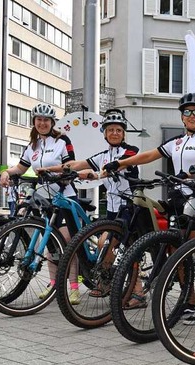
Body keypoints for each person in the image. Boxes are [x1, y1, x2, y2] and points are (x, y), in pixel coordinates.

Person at [103, 93, 195, 319]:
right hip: (177, 201)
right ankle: (189, 299)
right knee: (178, 252)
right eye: (188, 112)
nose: (192, 116)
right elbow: (148, 155)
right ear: (182, 117)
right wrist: (121, 163)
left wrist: (188, 176)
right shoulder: (175, 142)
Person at [41, 109, 141, 302]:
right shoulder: (103, 155)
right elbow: (77, 165)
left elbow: (119, 164)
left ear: (123, 133)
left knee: (122, 246)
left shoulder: (130, 151)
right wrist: (50, 170)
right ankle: (107, 283)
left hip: (129, 207)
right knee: (105, 244)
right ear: (104, 133)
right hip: (112, 209)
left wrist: (97, 174)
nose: (114, 133)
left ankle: (137, 292)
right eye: (110, 129)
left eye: (118, 130)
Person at [0, 103, 81, 305]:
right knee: (50, 243)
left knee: (67, 240)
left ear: (52, 123)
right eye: (39, 120)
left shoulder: (62, 141)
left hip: (65, 195)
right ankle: (53, 284)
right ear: (34, 122)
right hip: (45, 198)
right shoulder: (32, 147)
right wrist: (6, 172)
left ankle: (74, 287)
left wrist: (52, 170)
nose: (42, 123)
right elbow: (20, 167)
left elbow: (70, 164)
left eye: (46, 120)